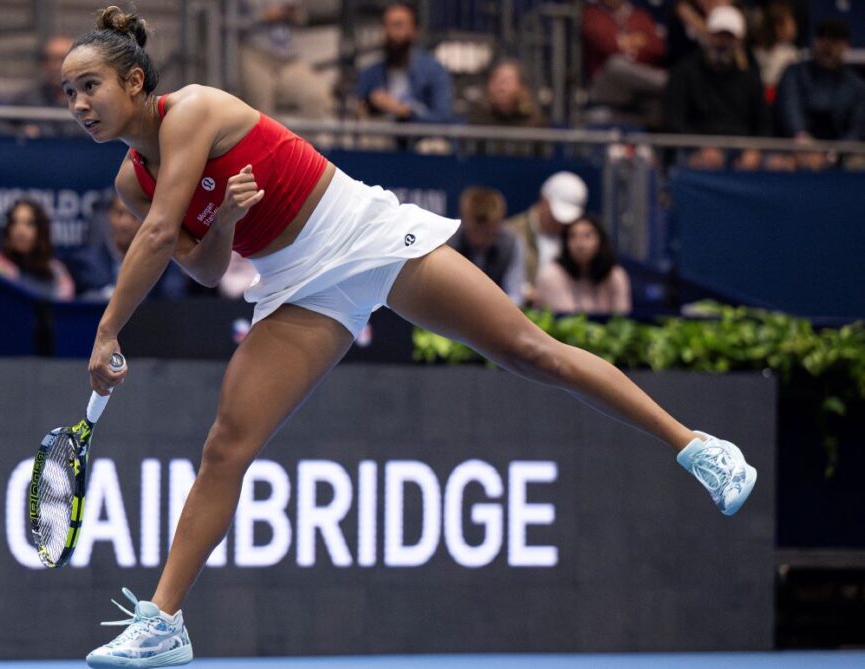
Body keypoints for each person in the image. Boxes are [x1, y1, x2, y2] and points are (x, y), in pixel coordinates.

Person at [62, 7, 757, 667]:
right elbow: (204, 263)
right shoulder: (133, 178)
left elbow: (156, 236)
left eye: (89, 85)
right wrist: (221, 221)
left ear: (133, 80)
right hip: (295, 282)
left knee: (528, 350)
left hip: (365, 234)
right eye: (68, 93)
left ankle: (697, 446)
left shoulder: (196, 110)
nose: (79, 103)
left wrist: (105, 333)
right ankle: (164, 622)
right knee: (225, 446)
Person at [662, 5, 771, 170]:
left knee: (777, 164)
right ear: (708, 35)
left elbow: (764, 123)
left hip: (740, 149)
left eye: (729, 37)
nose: (722, 43)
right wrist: (700, 147)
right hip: (694, 148)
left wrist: (754, 151)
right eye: (718, 35)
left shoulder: (750, 77)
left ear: (738, 41)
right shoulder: (684, 71)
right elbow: (673, 121)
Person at [775, 18, 865, 169]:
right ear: (814, 41)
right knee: (778, 163)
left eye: (834, 40)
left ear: (845, 46)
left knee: (858, 164)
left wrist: (831, 155)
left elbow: (856, 130)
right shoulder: (794, 74)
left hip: (841, 156)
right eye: (822, 38)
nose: (827, 45)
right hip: (796, 149)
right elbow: (791, 111)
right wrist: (803, 142)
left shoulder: (856, 86)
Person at [353, 3, 454, 128]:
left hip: (421, 139)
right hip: (381, 140)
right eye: (386, 26)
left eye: (398, 25)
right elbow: (356, 112)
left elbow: (442, 117)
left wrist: (405, 112)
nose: (391, 32)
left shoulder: (434, 71)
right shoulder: (370, 73)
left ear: (414, 31)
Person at [235, 0, 333, 119]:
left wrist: (293, 13)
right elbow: (228, 24)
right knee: (261, 112)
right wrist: (262, 16)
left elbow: (302, 20)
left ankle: (309, 138)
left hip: (288, 57)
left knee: (316, 96)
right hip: (254, 54)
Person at [504, 171, 588, 304]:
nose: (560, 222)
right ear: (543, 200)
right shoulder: (511, 233)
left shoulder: (576, 237)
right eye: (555, 215)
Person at [88, 195, 192, 300]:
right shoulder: (89, 262)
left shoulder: (166, 264)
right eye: (119, 213)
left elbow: (174, 297)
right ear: (109, 216)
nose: (124, 223)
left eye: (133, 216)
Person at [582, 0, 668, 126]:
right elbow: (608, 45)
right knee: (617, 64)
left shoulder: (639, 15)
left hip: (639, 85)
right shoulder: (593, 14)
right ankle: (669, 82)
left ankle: (668, 82)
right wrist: (638, 43)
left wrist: (625, 43)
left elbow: (658, 48)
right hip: (605, 86)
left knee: (661, 106)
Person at [532, 216, 632, 315]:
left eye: (587, 236)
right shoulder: (551, 275)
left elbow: (622, 320)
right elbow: (570, 322)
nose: (580, 244)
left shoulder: (615, 275)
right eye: (573, 236)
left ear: (600, 241)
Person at [0, 199, 76, 301]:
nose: (20, 231)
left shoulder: (57, 270)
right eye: (14, 223)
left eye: (29, 224)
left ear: (41, 231)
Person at [448, 186, 526, 306]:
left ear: (500, 222)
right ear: (464, 219)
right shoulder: (449, 242)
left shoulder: (511, 242)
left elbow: (515, 295)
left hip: (497, 312)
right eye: (476, 230)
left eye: (489, 231)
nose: (481, 237)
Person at [466, 59, 546, 127]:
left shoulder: (534, 123)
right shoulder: (477, 120)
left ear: (521, 87)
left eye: (507, 81)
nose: (501, 88)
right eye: (496, 81)